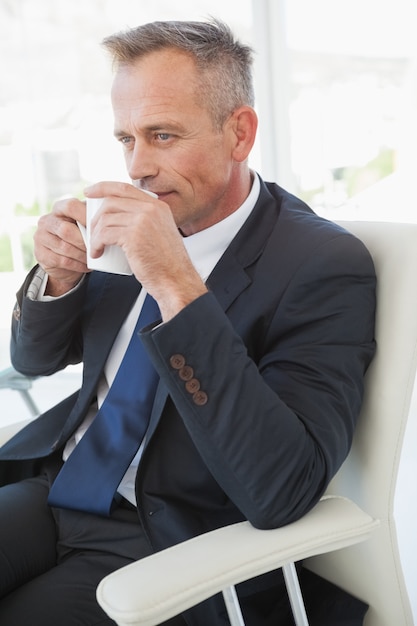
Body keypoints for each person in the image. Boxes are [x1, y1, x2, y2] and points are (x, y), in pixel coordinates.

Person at [0, 18, 376, 626]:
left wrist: (176, 283)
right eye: (126, 139)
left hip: (173, 530)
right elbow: (35, 362)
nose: (138, 167)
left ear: (240, 133)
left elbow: (282, 488)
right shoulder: (129, 220)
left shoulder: (322, 265)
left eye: (163, 135)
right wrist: (57, 279)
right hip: (58, 485)